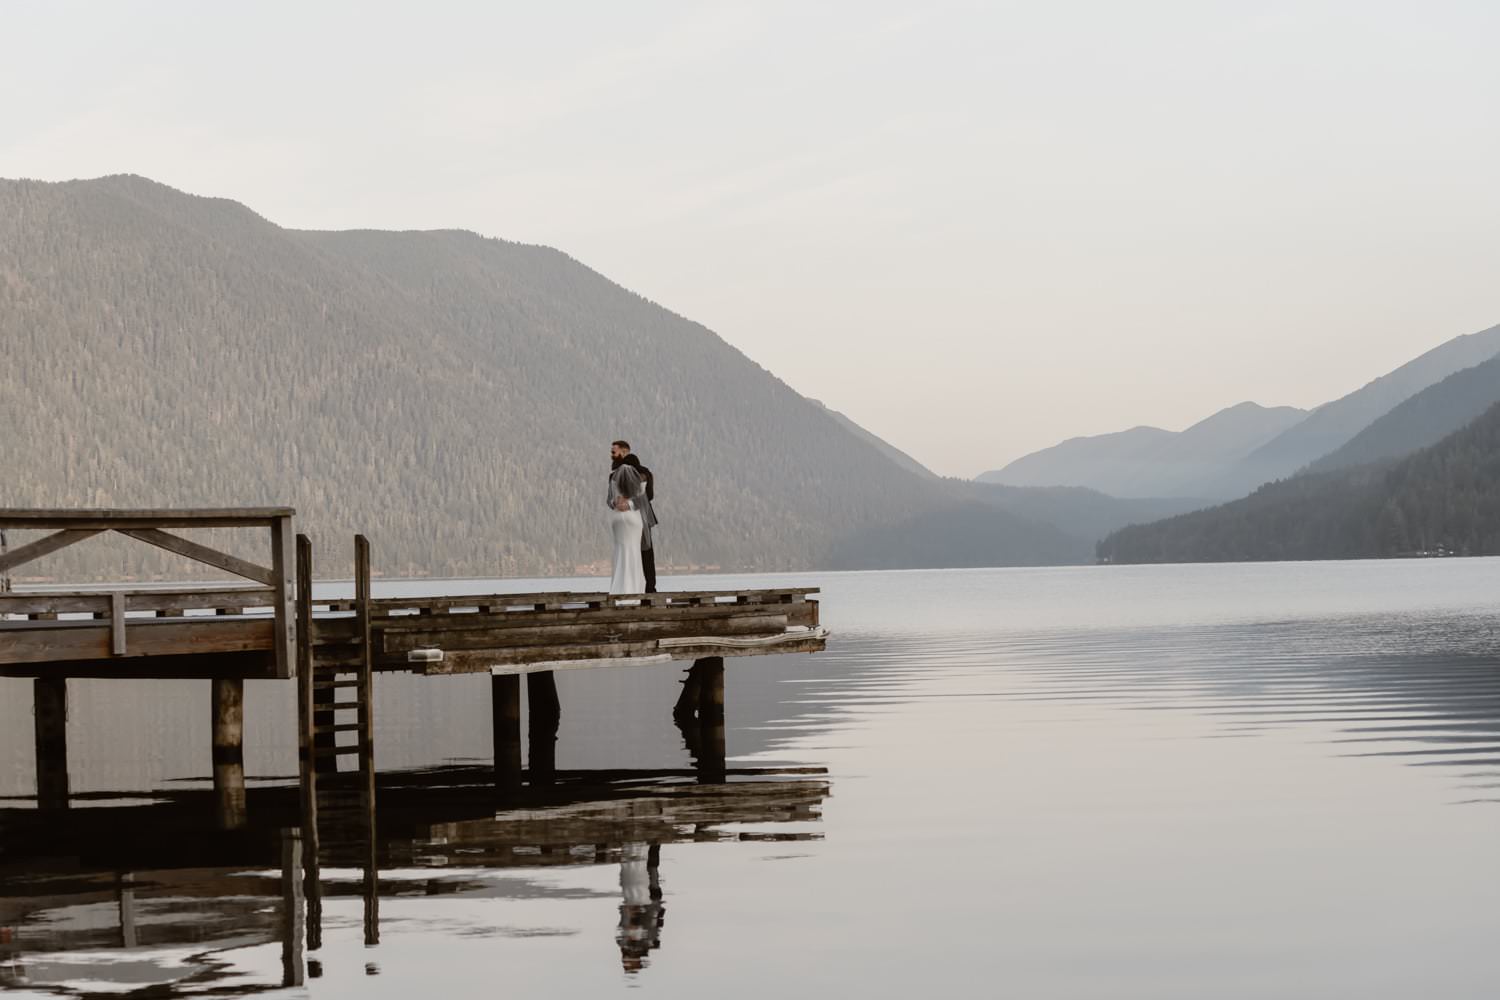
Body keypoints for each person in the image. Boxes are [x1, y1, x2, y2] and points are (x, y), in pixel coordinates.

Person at [608, 440, 647, 595]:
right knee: (633, 552)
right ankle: (634, 591)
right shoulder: (642, 478)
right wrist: (630, 504)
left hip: (617, 518)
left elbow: (610, 500)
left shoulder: (613, 478)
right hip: (632, 518)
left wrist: (616, 503)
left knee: (620, 552)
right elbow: (645, 499)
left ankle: (618, 590)